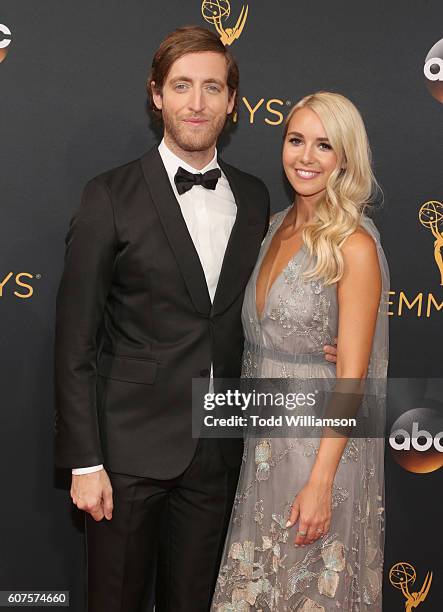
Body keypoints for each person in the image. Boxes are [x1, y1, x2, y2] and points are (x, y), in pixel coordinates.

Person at [54, 26, 336, 611]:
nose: (197, 102)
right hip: (124, 457)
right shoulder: (108, 196)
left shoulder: (257, 198)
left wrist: (321, 348)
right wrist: (85, 460)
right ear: (156, 95)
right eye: (182, 85)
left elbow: (272, 301)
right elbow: (74, 342)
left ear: (233, 104)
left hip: (219, 454)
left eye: (213, 87)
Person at [211, 92, 389, 611]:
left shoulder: (353, 245)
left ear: (346, 159)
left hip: (318, 450)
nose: (305, 157)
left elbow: (353, 378)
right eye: (296, 140)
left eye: (323, 145)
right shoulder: (272, 227)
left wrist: (322, 483)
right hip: (262, 446)